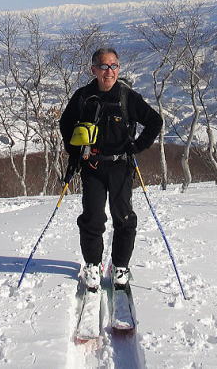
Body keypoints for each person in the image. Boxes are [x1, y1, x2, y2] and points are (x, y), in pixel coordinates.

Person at [59, 47, 162, 291]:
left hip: (120, 167)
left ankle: (120, 267)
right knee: (93, 217)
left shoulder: (128, 97)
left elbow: (155, 121)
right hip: (92, 166)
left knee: (123, 218)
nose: (109, 72)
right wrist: (74, 152)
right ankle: (93, 265)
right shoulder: (83, 96)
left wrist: (137, 146)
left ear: (119, 68)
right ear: (93, 69)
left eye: (114, 66)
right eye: (104, 67)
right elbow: (65, 123)